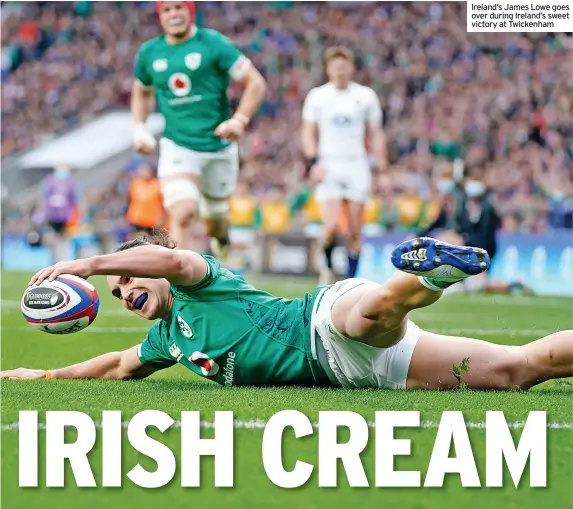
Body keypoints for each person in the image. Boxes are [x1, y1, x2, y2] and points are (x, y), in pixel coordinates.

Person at [3, 234, 571, 392]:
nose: (125, 293)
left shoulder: (202, 279)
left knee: (369, 315)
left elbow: (173, 257)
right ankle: (426, 277)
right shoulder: (167, 342)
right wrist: (45, 374)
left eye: (129, 280)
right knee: (517, 371)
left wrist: (94, 264)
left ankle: (428, 274)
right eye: (119, 292)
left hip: (322, 317)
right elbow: (114, 366)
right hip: (363, 372)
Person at [131, 1, 266, 255]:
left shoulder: (214, 44)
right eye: (167, 10)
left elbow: (255, 83)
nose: (174, 14)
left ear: (190, 11)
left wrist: (239, 120)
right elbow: (142, 92)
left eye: (179, 8)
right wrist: (140, 127)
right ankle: (185, 289)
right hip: (178, 145)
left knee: (215, 221)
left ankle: (221, 238)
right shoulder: (149, 52)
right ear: (160, 16)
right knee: (183, 213)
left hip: (218, 146)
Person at [301, 46, 388, 286]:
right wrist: (313, 162)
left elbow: (376, 133)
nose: (340, 71)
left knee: (354, 231)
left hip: (356, 165)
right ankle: (327, 269)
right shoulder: (318, 96)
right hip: (329, 164)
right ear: (328, 69)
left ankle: (351, 281)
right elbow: (308, 132)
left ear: (351, 69)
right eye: (335, 67)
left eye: (344, 67)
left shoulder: (365, 96)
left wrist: (382, 170)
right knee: (329, 227)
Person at [41, 164, 79, 262]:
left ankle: (61, 259)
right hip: (52, 216)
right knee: (51, 238)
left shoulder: (71, 182)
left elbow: (74, 198)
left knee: (63, 240)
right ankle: (54, 257)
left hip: (65, 217)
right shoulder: (50, 181)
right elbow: (45, 196)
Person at [125, 162, 164, 237]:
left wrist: (161, 218)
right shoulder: (135, 184)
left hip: (153, 219)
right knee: (139, 240)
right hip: (136, 218)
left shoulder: (157, 184)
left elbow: (162, 203)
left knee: (152, 241)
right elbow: (129, 200)